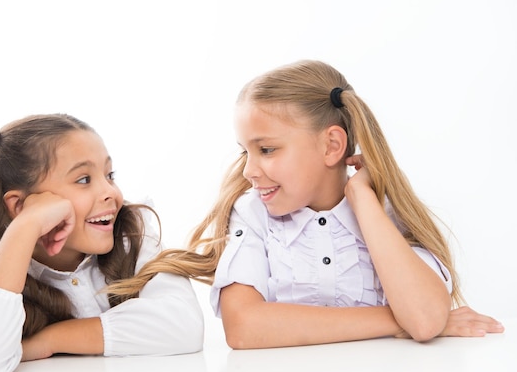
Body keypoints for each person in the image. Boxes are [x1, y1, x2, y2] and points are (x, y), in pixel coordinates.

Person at [110, 60, 504, 349]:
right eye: (246, 151)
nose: (249, 170)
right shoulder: (252, 214)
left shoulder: (386, 213)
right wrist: (394, 321)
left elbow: (421, 318)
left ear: (331, 145)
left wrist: (362, 199)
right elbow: (244, 328)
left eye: (266, 149)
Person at [0, 113, 204, 372]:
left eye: (109, 175)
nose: (111, 193)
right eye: (83, 179)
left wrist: (50, 340)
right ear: (20, 206)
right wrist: (26, 225)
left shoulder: (132, 233)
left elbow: (184, 325)